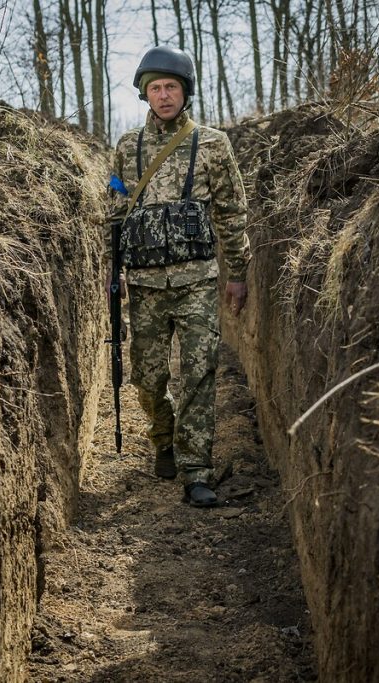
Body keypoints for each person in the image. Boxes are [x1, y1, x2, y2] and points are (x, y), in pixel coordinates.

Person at [106, 45, 250, 507]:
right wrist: (115, 272)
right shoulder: (128, 148)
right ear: (145, 94)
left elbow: (230, 211)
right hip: (145, 286)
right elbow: (114, 213)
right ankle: (163, 438)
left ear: (184, 91)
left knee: (198, 374)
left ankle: (195, 469)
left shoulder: (211, 144)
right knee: (146, 379)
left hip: (197, 282)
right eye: (155, 88)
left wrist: (238, 272)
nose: (163, 95)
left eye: (171, 87)